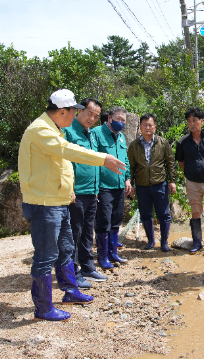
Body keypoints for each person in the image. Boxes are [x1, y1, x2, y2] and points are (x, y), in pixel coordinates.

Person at [19, 89, 127, 322]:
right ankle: (43, 307)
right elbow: (66, 151)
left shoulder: (54, 129)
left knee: (67, 248)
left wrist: (67, 192)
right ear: (62, 112)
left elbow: (59, 166)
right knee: (46, 255)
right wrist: (103, 158)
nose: (74, 116)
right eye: (74, 112)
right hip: (44, 203)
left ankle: (70, 291)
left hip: (58, 201)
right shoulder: (40, 130)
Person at [63, 97, 107, 288]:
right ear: (79, 111)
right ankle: (73, 272)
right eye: (90, 113)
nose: (92, 118)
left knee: (88, 232)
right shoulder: (68, 131)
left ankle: (88, 267)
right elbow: (63, 161)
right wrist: (69, 188)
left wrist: (97, 188)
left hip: (92, 191)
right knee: (75, 233)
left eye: (96, 116)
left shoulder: (91, 134)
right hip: (76, 193)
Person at [127, 113, 177, 252]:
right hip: (142, 185)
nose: (147, 128)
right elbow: (131, 166)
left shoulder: (162, 142)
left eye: (150, 125)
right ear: (140, 127)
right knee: (145, 214)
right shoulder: (134, 145)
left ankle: (164, 242)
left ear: (155, 127)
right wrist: (131, 183)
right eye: (144, 125)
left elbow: (170, 162)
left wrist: (172, 181)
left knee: (164, 214)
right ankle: (150, 241)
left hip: (160, 184)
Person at [175, 107, 204, 254]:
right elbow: (181, 162)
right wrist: (191, 171)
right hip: (192, 182)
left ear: (201, 121)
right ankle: (197, 242)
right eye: (189, 121)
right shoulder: (182, 142)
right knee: (195, 212)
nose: (192, 123)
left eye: (194, 120)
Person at [94, 106, 132, 270]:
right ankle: (102, 257)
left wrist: (128, 178)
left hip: (119, 186)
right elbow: (92, 159)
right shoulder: (97, 133)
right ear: (109, 118)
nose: (121, 122)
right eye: (118, 119)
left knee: (116, 220)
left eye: (123, 120)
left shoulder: (121, 137)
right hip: (104, 186)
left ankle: (113, 253)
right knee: (104, 221)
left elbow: (125, 160)